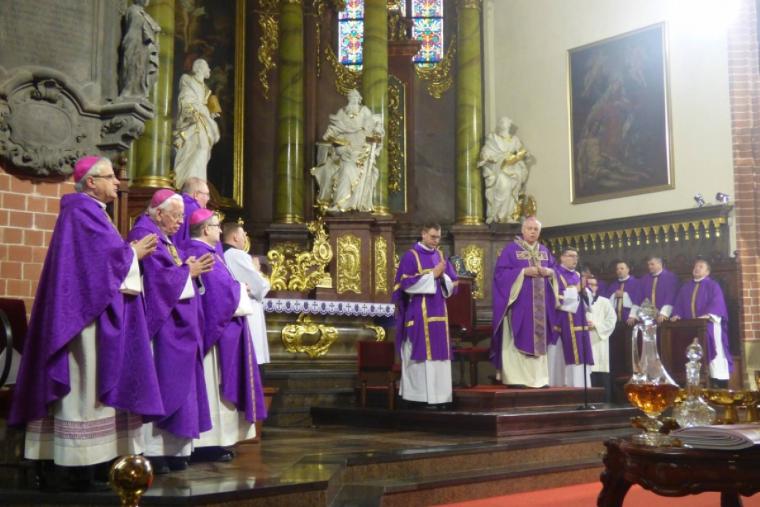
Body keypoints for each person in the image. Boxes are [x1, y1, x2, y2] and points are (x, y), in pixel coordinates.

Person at [9, 156, 164, 490]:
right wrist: (132, 254)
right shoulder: (81, 212)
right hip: (83, 322)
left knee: (92, 390)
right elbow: (96, 267)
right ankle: (73, 467)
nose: (117, 182)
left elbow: (101, 261)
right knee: (83, 387)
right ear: (91, 182)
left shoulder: (94, 213)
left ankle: (92, 464)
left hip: (93, 312)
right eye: (110, 177)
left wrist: (128, 254)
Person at [127, 189, 215, 474]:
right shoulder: (144, 234)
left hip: (176, 323)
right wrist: (187, 273)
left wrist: (186, 271)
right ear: (159, 213)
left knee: (179, 384)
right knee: (163, 382)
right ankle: (155, 452)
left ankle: (174, 450)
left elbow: (170, 273)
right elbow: (155, 281)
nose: (180, 222)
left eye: (182, 216)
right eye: (175, 216)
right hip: (161, 326)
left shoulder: (165, 239)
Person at [185, 209, 266, 460]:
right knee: (212, 388)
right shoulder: (202, 252)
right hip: (213, 337)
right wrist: (241, 289)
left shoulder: (208, 253)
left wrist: (237, 288)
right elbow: (219, 293)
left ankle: (215, 442)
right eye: (216, 226)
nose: (220, 230)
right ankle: (208, 444)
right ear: (205, 229)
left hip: (216, 332)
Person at [392, 223, 458, 408]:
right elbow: (405, 284)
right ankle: (418, 397)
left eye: (438, 237)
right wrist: (433, 275)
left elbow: (454, 284)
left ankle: (439, 397)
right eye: (432, 237)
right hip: (418, 312)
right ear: (423, 234)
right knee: (420, 356)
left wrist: (442, 277)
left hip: (439, 312)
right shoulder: (411, 256)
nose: (436, 241)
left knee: (439, 355)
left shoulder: (440, 256)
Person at [491, 217, 557, 388]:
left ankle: (539, 379)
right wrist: (523, 272)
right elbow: (500, 275)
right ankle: (516, 379)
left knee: (538, 339)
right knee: (518, 335)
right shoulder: (511, 250)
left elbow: (555, 271)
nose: (533, 232)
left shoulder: (544, 251)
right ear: (522, 230)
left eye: (536, 229)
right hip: (519, 305)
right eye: (529, 228)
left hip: (541, 308)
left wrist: (549, 272)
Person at [311, 89, 384, 212]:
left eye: (355, 97)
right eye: (351, 97)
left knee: (347, 169)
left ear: (359, 99)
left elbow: (374, 128)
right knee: (334, 168)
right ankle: (337, 203)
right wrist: (331, 137)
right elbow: (334, 129)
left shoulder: (364, 111)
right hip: (343, 152)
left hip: (361, 153)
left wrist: (377, 131)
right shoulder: (342, 112)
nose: (353, 99)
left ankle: (342, 205)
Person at [671, 259, 732, 388]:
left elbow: (717, 303)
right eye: (695, 266)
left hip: (708, 325)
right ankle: (693, 381)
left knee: (713, 349)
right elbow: (679, 305)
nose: (697, 268)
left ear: (707, 272)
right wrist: (676, 314)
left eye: (701, 266)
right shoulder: (686, 287)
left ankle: (716, 382)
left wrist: (709, 314)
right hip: (689, 327)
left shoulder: (713, 285)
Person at [222, 222, 271, 365]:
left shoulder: (221, 254)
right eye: (243, 235)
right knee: (252, 359)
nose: (245, 238)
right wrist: (256, 269)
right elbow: (260, 286)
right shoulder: (237, 255)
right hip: (247, 313)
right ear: (235, 237)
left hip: (234, 310)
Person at [173, 58, 221, 191]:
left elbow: (204, 103)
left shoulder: (205, 88)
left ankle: (199, 184)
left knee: (204, 150)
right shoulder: (188, 81)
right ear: (199, 68)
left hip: (204, 120)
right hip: (194, 121)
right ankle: (189, 183)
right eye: (207, 67)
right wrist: (192, 111)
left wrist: (211, 113)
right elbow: (185, 99)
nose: (209, 70)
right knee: (198, 147)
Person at [550, 248, 594, 387]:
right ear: (562, 258)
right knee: (560, 355)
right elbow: (556, 298)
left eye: (576, 256)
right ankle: (561, 386)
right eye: (571, 256)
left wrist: (585, 292)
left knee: (580, 353)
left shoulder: (577, 274)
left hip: (579, 319)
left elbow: (588, 300)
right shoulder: (555, 274)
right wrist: (576, 289)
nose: (575, 259)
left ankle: (580, 386)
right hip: (561, 320)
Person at [478, 117, 531, 224]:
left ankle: (507, 216)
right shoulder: (493, 138)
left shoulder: (514, 140)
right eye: (500, 122)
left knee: (512, 191)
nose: (502, 123)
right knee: (503, 187)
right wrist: (488, 157)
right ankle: (496, 215)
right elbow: (485, 152)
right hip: (499, 168)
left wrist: (524, 154)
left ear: (509, 125)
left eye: (504, 122)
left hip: (513, 169)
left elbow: (522, 151)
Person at [119, 0, 161, 98]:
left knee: (142, 71)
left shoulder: (144, 14)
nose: (147, 1)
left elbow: (154, 29)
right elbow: (132, 30)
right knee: (132, 66)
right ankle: (129, 90)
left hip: (144, 46)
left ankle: (138, 92)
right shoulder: (132, 10)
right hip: (134, 43)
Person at [585, 275, 617, 401]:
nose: (590, 287)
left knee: (600, 368)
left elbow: (611, 320)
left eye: (593, 285)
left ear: (597, 287)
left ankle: (604, 401)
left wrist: (596, 326)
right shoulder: (580, 301)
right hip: (585, 339)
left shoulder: (605, 302)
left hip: (599, 340)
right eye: (588, 285)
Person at [638, 256, 680, 323]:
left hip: (665, 316)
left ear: (660, 264)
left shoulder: (670, 277)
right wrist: (634, 315)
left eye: (652, 264)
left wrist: (664, 313)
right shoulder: (644, 279)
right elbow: (639, 297)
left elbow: (670, 296)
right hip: (648, 316)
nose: (649, 267)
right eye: (648, 265)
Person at [172, 176, 211, 248]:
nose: (208, 199)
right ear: (196, 195)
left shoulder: (175, 204)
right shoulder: (196, 211)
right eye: (207, 194)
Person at [603, 260, 641, 326]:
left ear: (628, 270)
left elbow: (639, 299)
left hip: (630, 320)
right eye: (617, 269)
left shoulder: (636, 283)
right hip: (615, 321)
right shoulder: (613, 284)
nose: (619, 271)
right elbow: (606, 300)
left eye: (622, 268)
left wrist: (624, 295)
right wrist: (614, 295)